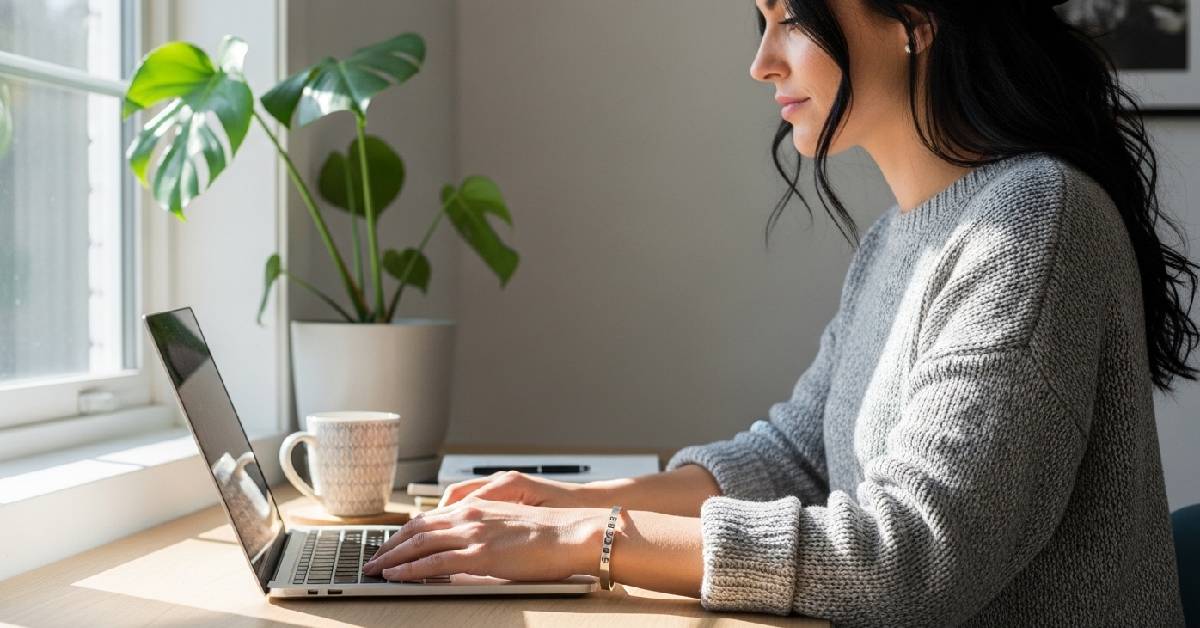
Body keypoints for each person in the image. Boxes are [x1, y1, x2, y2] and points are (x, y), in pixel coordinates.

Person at [363, 0, 1193, 624]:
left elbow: (913, 560)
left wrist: (592, 541)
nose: (762, 62)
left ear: (914, 21)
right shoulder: (896, 241)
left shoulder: (1035, 221)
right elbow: (798, 456)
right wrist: (565, 503)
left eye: (790, 18)